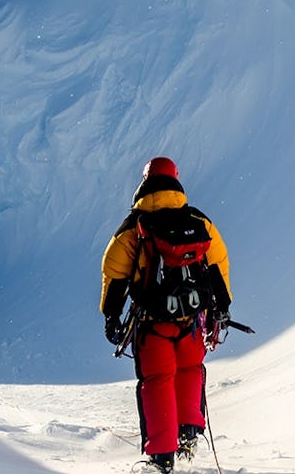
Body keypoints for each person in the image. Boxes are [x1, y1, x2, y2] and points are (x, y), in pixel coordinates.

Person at [100, 157, 234, 474]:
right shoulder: (196, 220)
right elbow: (218, 263)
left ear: (145, 182)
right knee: (190, 370)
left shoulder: (134, 227)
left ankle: (161, 459)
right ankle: (188, 437)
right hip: (193, 316)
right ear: (176, 179)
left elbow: (114, 272)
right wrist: (222, 307)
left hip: (152, 321)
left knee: (158, 380)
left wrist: (111, 316)